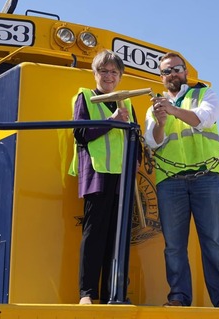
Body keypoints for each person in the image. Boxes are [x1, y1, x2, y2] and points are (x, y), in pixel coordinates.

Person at [144, 52, 219, 307]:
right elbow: (152, 141)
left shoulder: (205, 94)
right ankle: (178, 296)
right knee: (174, 245)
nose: (172, 75)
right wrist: (160, 122)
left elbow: (204, 119)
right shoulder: (154, 107)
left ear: (185, 71)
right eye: (166, 72)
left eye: (176, 69)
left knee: (212, 241)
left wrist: (173, 110)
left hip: (206, 178)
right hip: (170, 181)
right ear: (161, 77)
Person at [69, 50, 138, 305]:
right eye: (104, 71)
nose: (109, 76)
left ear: (120, 76)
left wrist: (137, 160)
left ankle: (114, 293)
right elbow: (80, 133)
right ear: (95, 73)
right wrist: (111, 121)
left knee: (118, 237)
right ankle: (87, 293)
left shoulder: (127, 103)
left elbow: (134, 137)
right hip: (96, 174)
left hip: (122, 176)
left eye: (114, 72)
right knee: (94, 233)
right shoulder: (85, 97)